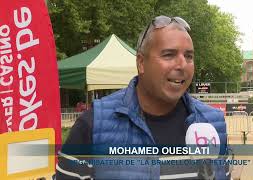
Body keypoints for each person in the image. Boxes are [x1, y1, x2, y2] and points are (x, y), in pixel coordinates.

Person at [56, 15, 230, 179]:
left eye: (189, 56)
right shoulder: (94, 124)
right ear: (141, 63)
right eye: (169, 55)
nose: (182, 65)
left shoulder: (213, 124)